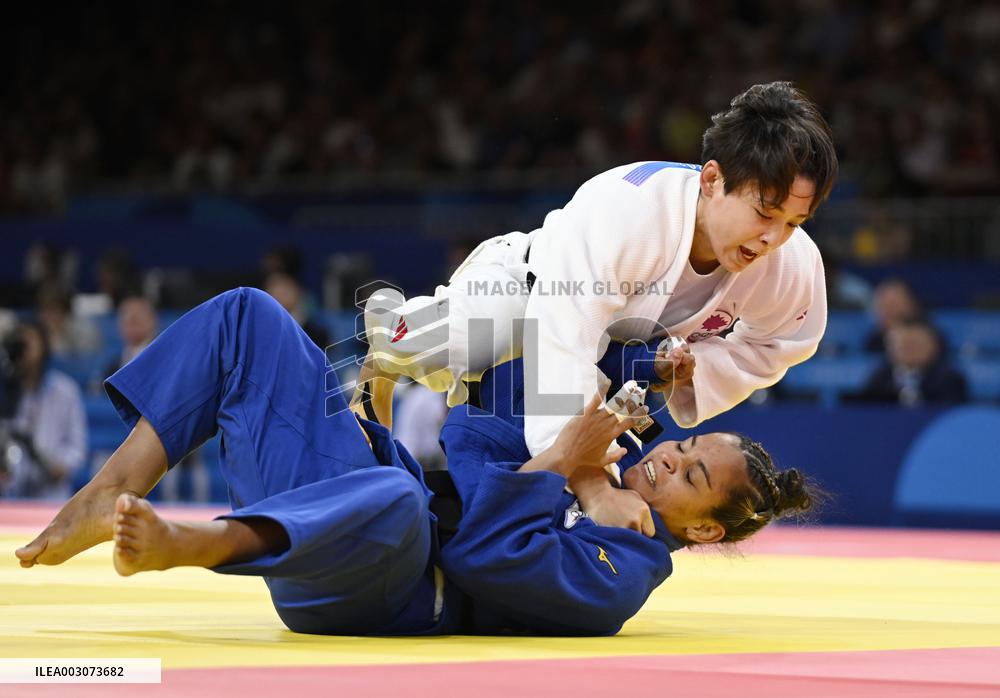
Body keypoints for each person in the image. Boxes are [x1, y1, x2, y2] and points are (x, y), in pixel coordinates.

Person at [15, 288, 815, 636]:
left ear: (703, 532)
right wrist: (645, 378)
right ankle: (112, 484)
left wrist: (568, 465)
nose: (668, 463)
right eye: (681, 448)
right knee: (246, 320)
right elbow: (541, 383)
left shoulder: (621, 571)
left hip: (383, 588)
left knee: (398, 504)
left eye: (691, 479)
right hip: (350, 508)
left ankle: (196, 544)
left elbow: (477, 553)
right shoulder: (608, 457)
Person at [356, 81, 837, 526]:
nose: (774, 238)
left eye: (795, 221)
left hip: (610, 359)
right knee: (476, 339)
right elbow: (561, 340)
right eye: (765, 212)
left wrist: (691, 371)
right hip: (525, 291)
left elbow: (787, 341)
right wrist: (588, 481)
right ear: (712, 180)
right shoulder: (629, 211)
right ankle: (390, 333)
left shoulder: (790, 262)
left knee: (549, 490)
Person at [0, 323, 87, 497]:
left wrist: (61, 466)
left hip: (53, 493)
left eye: (29, 343)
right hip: (11, 494)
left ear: (43, 347)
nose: (23, 350)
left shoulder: (65, 391)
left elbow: (77, 447)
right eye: (19, 343)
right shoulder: (5, 389)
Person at [851, 318, 967, 406]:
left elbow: (952, 414)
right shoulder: (880, 377)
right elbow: (866, 408)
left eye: (915, 344)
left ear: (933, 347)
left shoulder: (950, 379)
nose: (909, 350)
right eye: (902, 345)